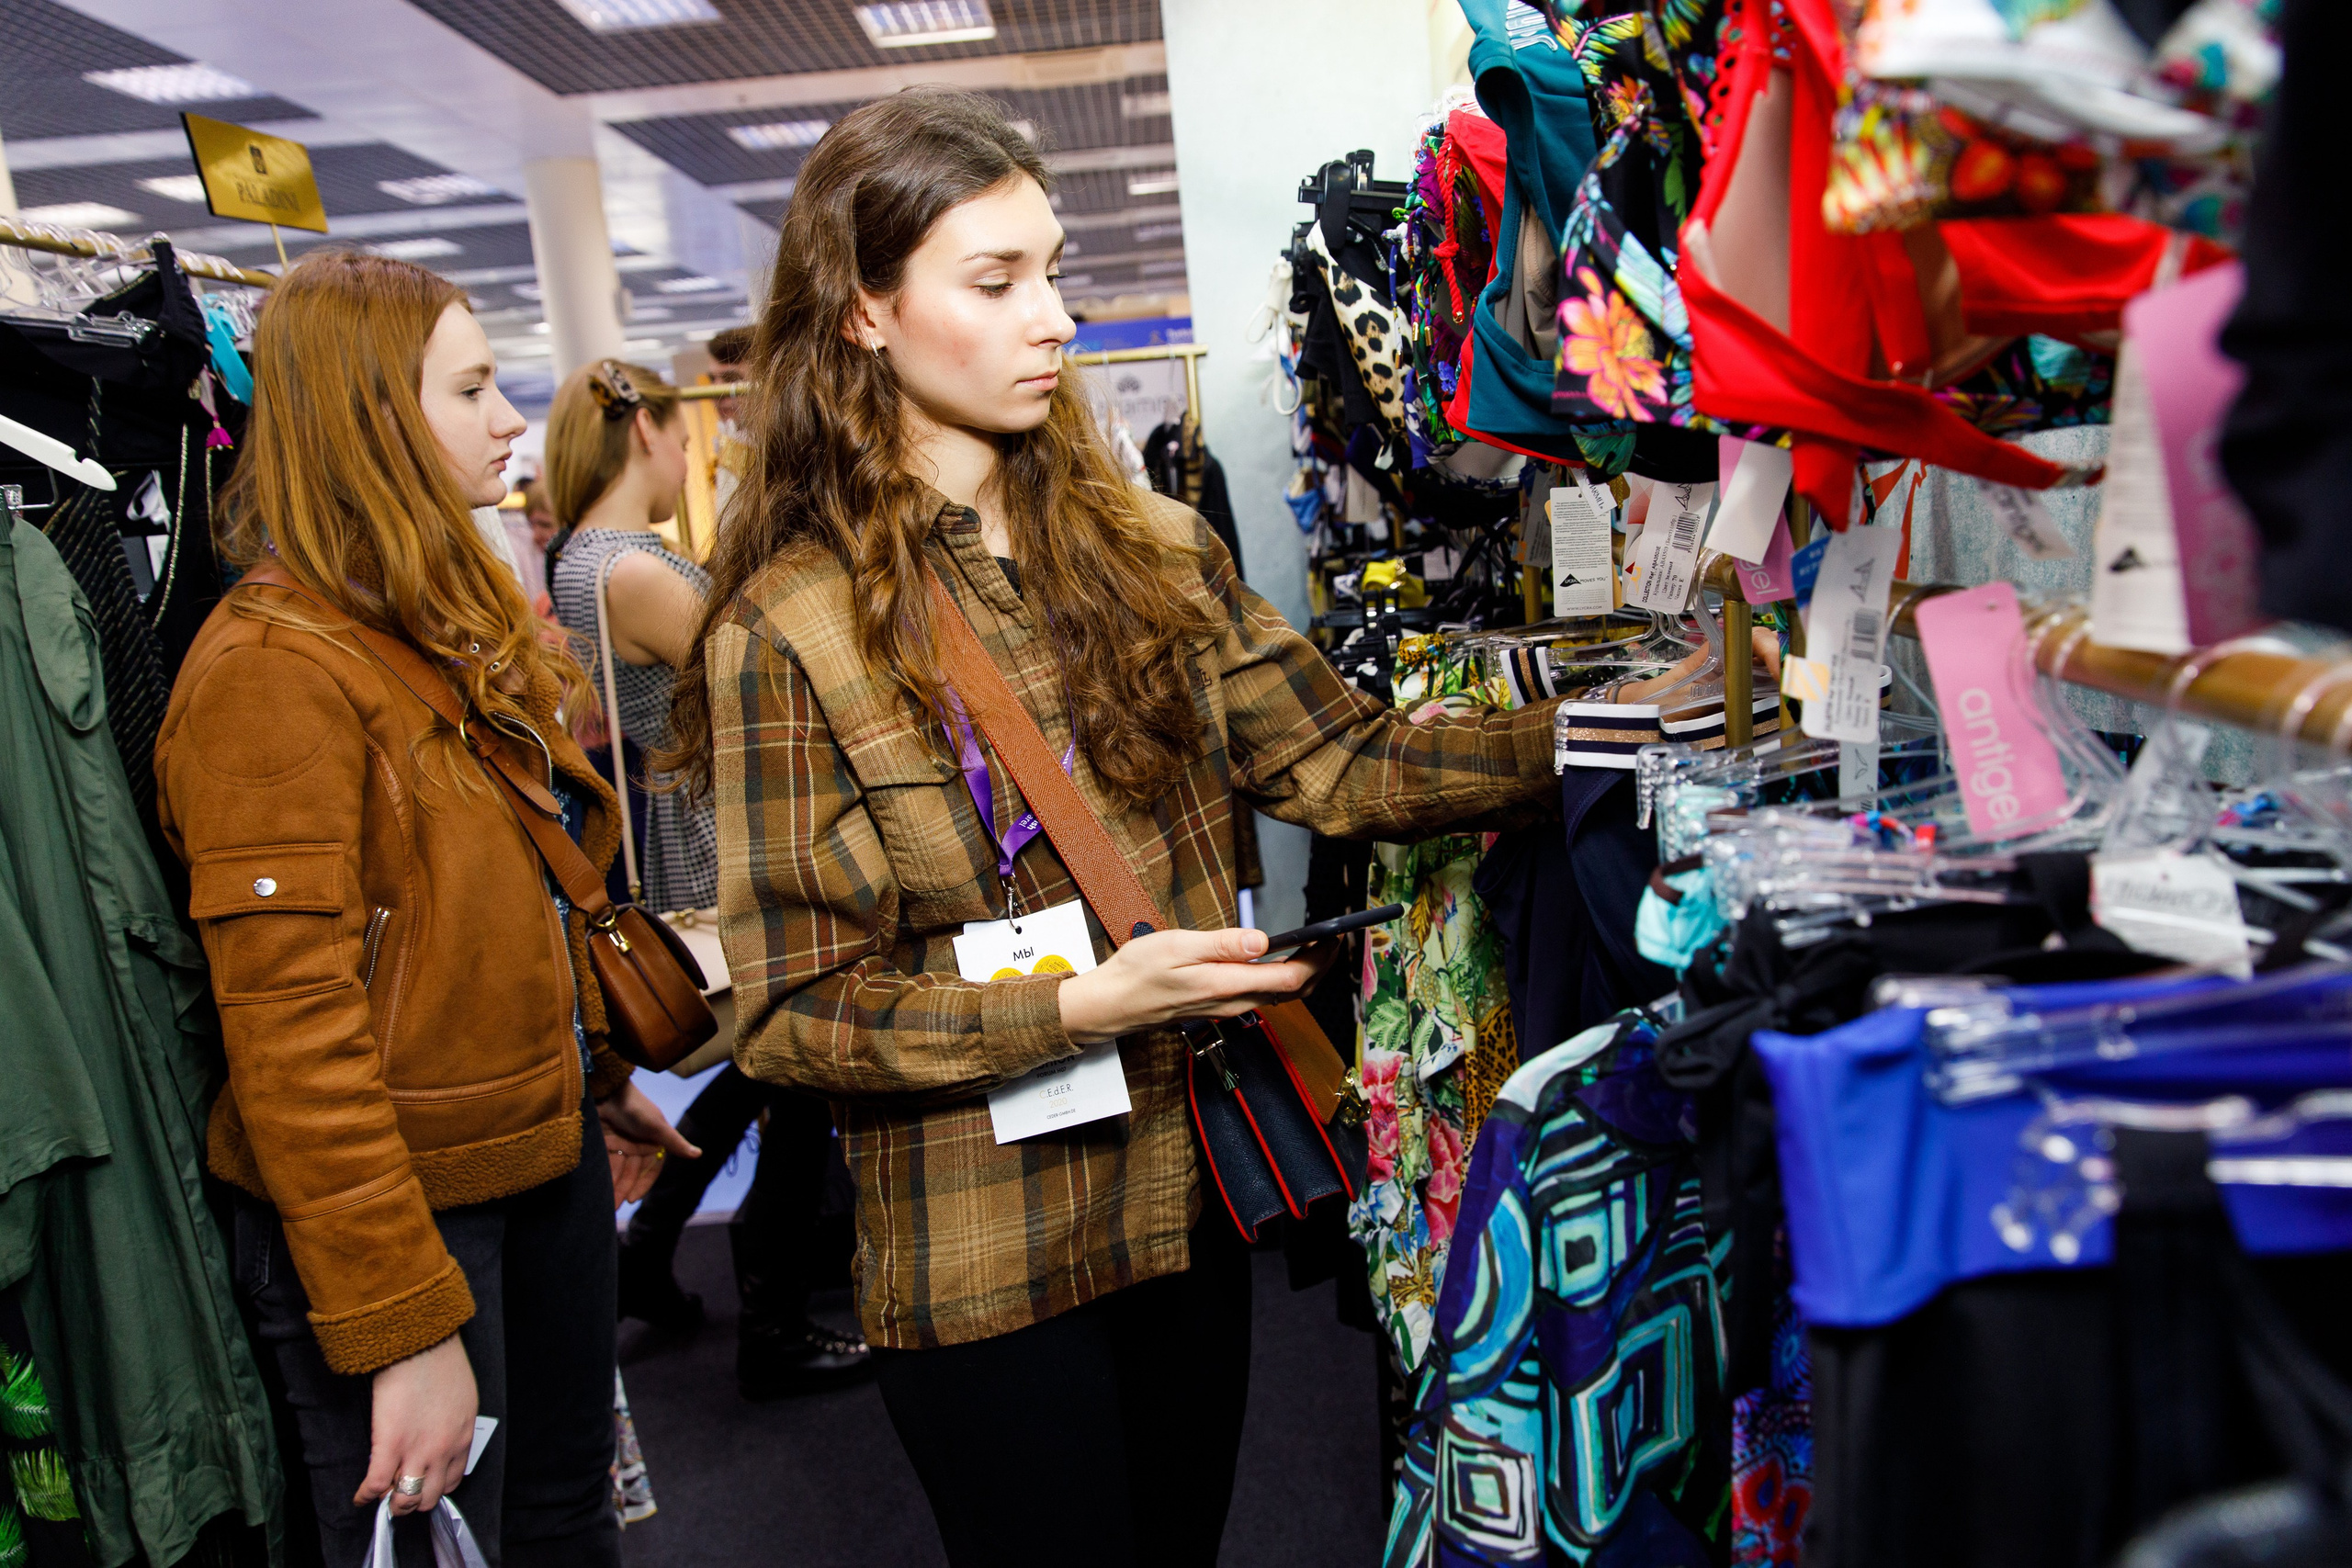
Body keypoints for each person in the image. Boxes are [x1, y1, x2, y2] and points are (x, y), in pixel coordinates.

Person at [661, 89, 1742, 1567]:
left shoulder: (1150, 545)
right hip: (986, 1251)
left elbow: (1346, 762)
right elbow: (791, 1012)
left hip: (1178, 1208)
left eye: (1053, 273)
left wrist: (1614, 723)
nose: (1053, 320)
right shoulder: (789, 627)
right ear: (863, 313)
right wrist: (1083, 1001)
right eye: (997, 283)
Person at [153, 249, 695, 1567]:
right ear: (368, 417)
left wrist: (584, 1065)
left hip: (539, 1158)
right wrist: (400, 1322)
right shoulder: (270, 671)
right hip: (407, 1217)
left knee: (566, 1527)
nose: (512, 417)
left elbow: (491, 902)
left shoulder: (425, 622)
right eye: (471, 388)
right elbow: (291, 1038)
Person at [544, 358, 868, 1396]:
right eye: (681, 437)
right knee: (790, 1057)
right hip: (721, 823)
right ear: (642, 432)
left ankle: (655, 1249)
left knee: (761, 1052)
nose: (687, 456)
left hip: (693, 814)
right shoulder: (628, 565)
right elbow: (756, 676)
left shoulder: (582, 558)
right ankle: (768, 1317)